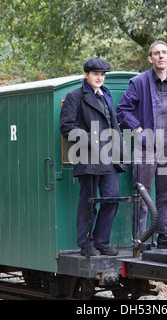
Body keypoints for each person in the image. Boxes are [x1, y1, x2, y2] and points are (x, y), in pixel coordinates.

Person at [116, 40, 167, 248]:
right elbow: (122, 109)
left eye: (164, 52)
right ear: (150, 59)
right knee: (142, 194)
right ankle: (140, 238)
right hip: (145, 147)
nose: (161, 56)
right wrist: (138, 130)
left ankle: (165, 235)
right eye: (156, 53)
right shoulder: (139, 82)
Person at [59, 57, 126, 256]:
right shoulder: (75, 96)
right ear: (86, 75)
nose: (99, 78)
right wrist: (92, 139)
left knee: (112, 198)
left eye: (102, 75)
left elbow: (113, 124)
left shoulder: (107, 95)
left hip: (109, 157)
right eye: (95, 74)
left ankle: (102, 242)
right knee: (88, 201)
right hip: (88, 157)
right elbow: (66, 127)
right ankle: (86, 244)